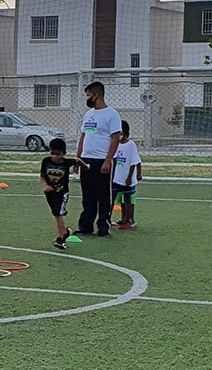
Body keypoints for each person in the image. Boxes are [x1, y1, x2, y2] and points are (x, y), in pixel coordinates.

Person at [75, 80, 122, 238]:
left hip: (102, 160)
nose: (86, 98)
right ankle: (86, 225)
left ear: (96, 95)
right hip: (86, 160)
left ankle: (103, 225)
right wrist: (78, 157)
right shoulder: (88, 115)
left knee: (103, 195)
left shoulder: (112, 114)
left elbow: (115, 139)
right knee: (87, 195)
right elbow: (83, 136)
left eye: (88, 95)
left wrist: (108, 160)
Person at [39, 137, 83, 250]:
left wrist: (85, 167)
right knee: (56, 213)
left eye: (57, 154)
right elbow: (42, 176)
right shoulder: (46, 161)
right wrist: (45, 186)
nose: (54, 157)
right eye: (52, 153)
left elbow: (77, 160)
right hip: (50, 193)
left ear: (63, 153)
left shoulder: (66, 163)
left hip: (62, 193)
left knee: (58, 213)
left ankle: (60, 238)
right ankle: (66, 232)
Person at [112, 119, 142, 229]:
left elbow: (134, 162)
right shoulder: (115, 145)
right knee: (119, 200)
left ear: (123, 133)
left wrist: (130, 177)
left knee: (128, 199)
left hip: (127, 178)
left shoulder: (130, 145)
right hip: (117, 178)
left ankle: (130, 220)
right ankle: (123, 218)